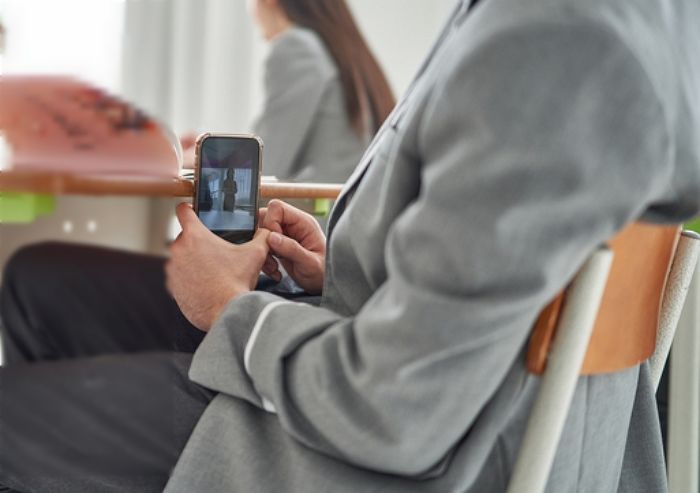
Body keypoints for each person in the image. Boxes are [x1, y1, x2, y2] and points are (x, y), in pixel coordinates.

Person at [1, 0, 700, 492]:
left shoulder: (553, 47)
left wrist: (229, 306)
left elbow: (396, 409)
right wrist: (339, 271)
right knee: (46, 280)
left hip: (385, 453)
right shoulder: (610, 24)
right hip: (427, 384)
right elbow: (494, 274)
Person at [183, 0, 396, 183]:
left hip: (317, 223)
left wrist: (198, 158)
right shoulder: (341, 51)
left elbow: (262, 165)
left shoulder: (296, 47)